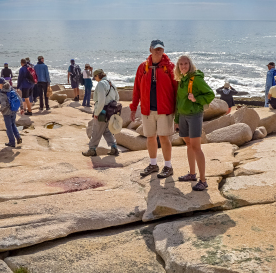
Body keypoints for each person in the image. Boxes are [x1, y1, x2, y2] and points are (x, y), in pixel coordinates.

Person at [130, 39, 177, 178]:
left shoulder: (170, 67)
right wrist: (133, 108)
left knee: (164, 137)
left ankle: (168, 166)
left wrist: (178, 111)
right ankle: (153, 164)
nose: (158, 51)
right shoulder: (142, 67)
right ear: (150, 49)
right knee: (150, 137)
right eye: (156, 48)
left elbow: (176, 89)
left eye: (161, 49)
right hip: (147, 109)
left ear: (163, 50)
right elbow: (136, 89)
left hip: (165, 109)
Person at [174, 55, 215, 191]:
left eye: (186, 63)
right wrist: (176, 120)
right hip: (183, 116)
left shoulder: (195, 79)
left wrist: (196, 99)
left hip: (194, 116)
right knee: (188, 145)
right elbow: (178, 101)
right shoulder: (181, 80)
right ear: (178, 67)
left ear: (190, 65)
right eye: (181, 64)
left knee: (196, 147)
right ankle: (192, 174)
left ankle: (203, 180)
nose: (183, 66)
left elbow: (210, 94)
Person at [82, 69, 120, 157]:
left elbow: (101, 101)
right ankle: (114, 147)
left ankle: (92, 149)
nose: (95, 79)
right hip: (110, 112)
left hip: (102, 112)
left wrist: (97, 113)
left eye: (95, 77)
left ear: (98, 75)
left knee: (96, 130)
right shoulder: (112, 83)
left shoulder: (101, 84)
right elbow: (117, 98)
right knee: (107, 130)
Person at [0, 78, 24, 147]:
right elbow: (19, 98)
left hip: (7, 112)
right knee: (13, 124)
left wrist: (1, 110)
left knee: (9, 127)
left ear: (1, 84)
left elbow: (3, 104)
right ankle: (18, 137)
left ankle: (12, 142)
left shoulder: (2, 92)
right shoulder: (11, 88)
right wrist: (21, 107)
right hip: (14, 109)